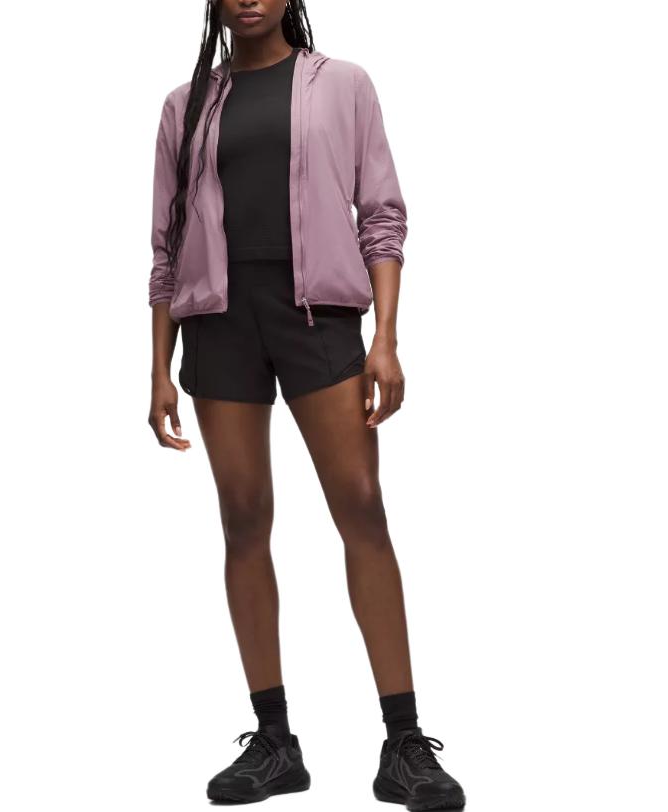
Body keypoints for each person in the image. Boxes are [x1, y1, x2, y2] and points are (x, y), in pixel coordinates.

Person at [147, 2, 466, 809]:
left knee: (361, 506)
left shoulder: (344, 85)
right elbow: (166, 244)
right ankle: (274, 740)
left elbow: (382, 215)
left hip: (318, 319)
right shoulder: (186, 105)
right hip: (217, 324)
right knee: (243, 518)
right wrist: (158, 369)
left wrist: (385, 337)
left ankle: (404, 744)